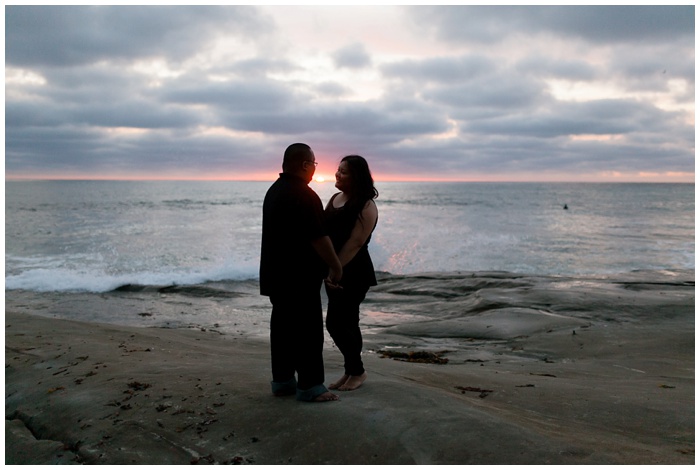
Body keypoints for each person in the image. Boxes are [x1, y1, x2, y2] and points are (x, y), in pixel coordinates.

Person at [259, 143, 342, 402]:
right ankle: (310, 386)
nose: (314, 169)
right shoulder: (304, 194)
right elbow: (318, 237)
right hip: (299, 275)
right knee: (308, 330)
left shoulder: (274, 191)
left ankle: (282, 381)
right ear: (305, 165)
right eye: (314, 164)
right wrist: (336, 265)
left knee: (282, 328)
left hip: (276, 274)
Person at [324, 155, 379, 392]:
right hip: (333, 270)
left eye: (343, 172)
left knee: (336, 323)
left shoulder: (366, 205)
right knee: (348, 323)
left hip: (353, 271)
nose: (337, 174)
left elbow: (356, 242)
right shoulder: (335, 198)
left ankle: (358, 371)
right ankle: (351, 371)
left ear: (356, 176)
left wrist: (336, 270)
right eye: (337, 170)